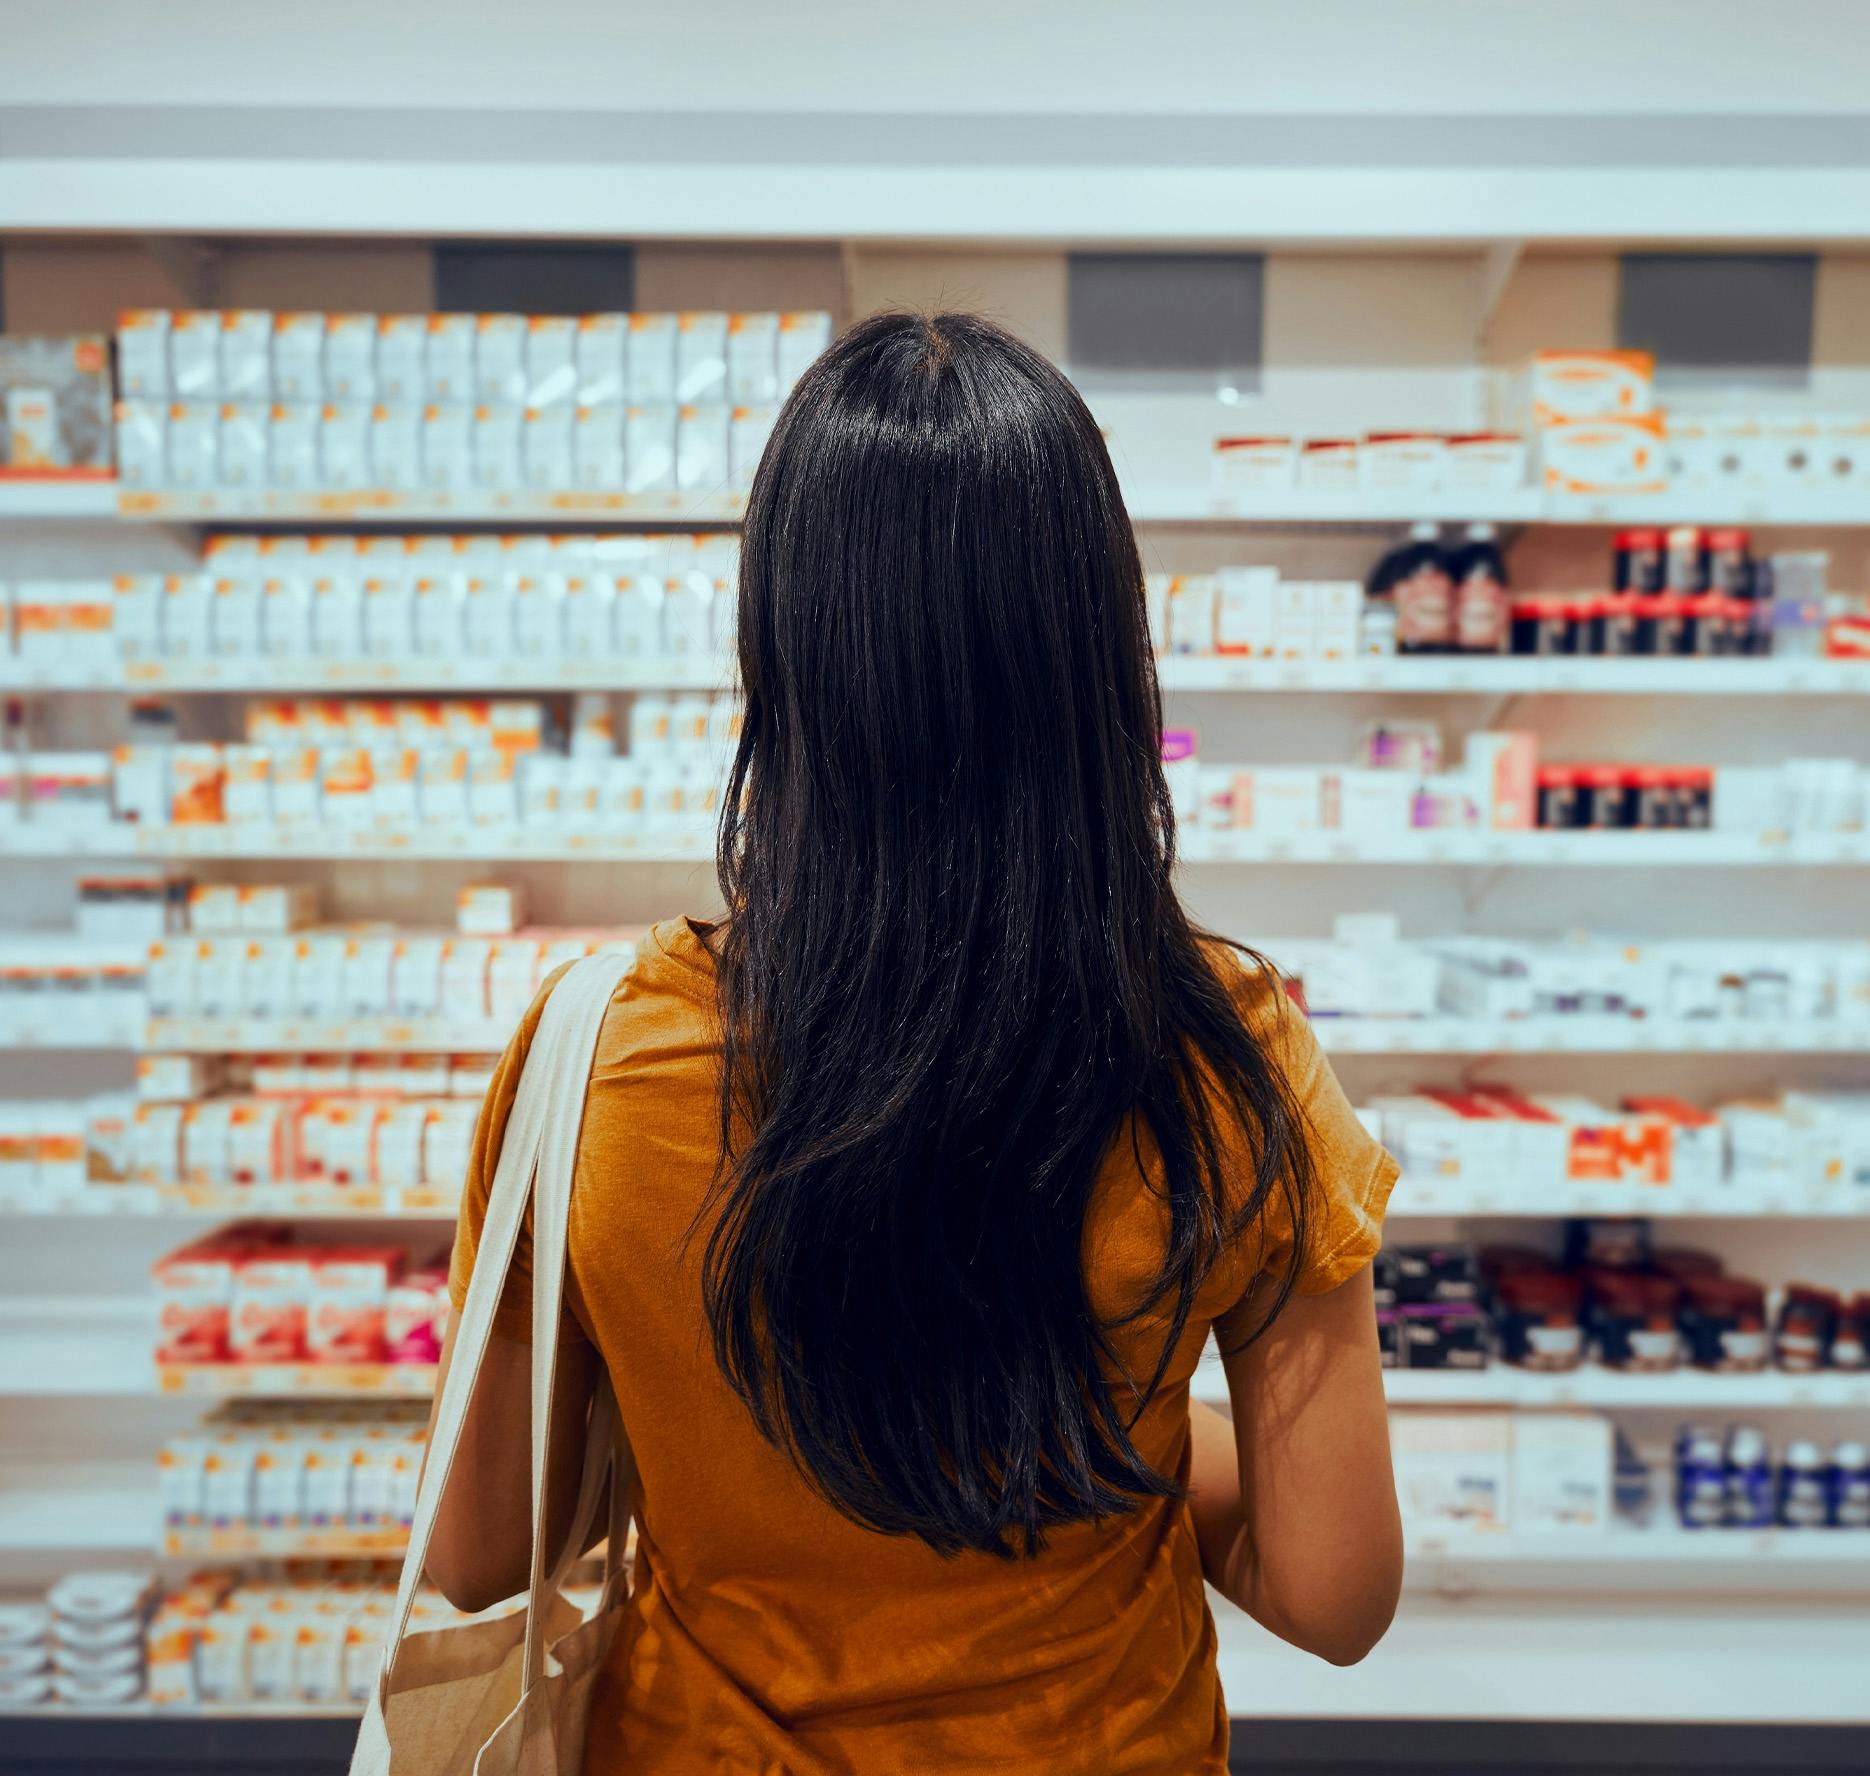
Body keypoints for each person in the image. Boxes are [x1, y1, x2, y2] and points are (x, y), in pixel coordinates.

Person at [428, 311, 1403, 1773]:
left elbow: (479, 1544)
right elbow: (1331, 1595)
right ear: (1099, 651)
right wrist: (1108, 1442)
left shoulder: (594, 1057)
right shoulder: (1223, 1052)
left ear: (777, 644)